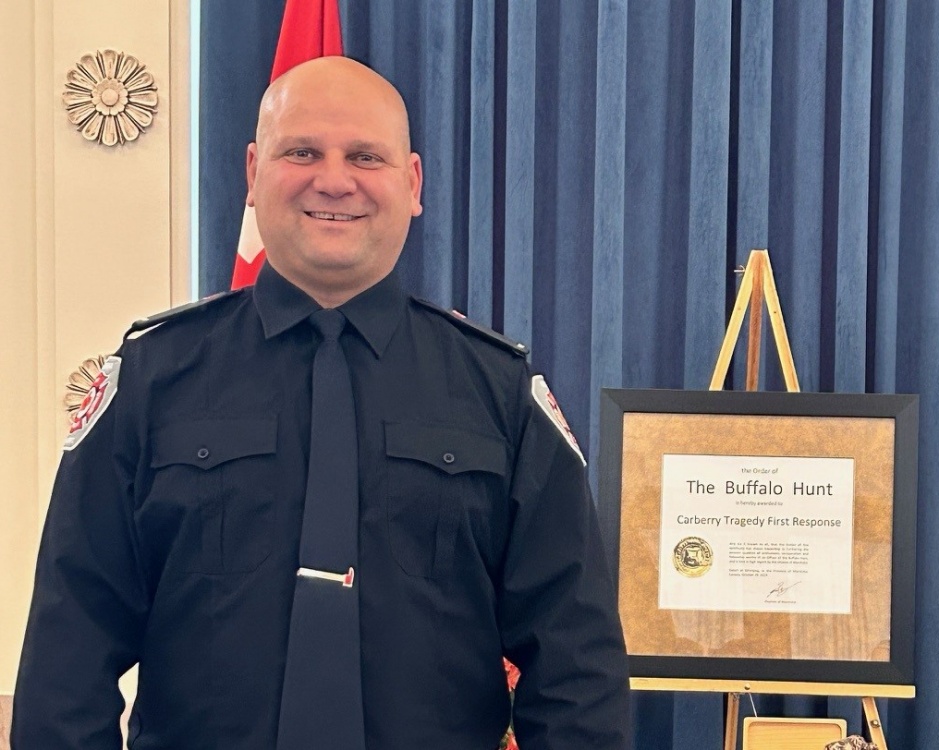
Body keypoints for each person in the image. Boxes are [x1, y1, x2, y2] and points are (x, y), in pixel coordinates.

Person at [13, 57, 631, 749]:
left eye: (365, 156)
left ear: (413, 183)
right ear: (253, 172)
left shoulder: (499, 393)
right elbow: (69, 657)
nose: (333, 179)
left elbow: (575, 666)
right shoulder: (152, 380)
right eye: (301, 151)